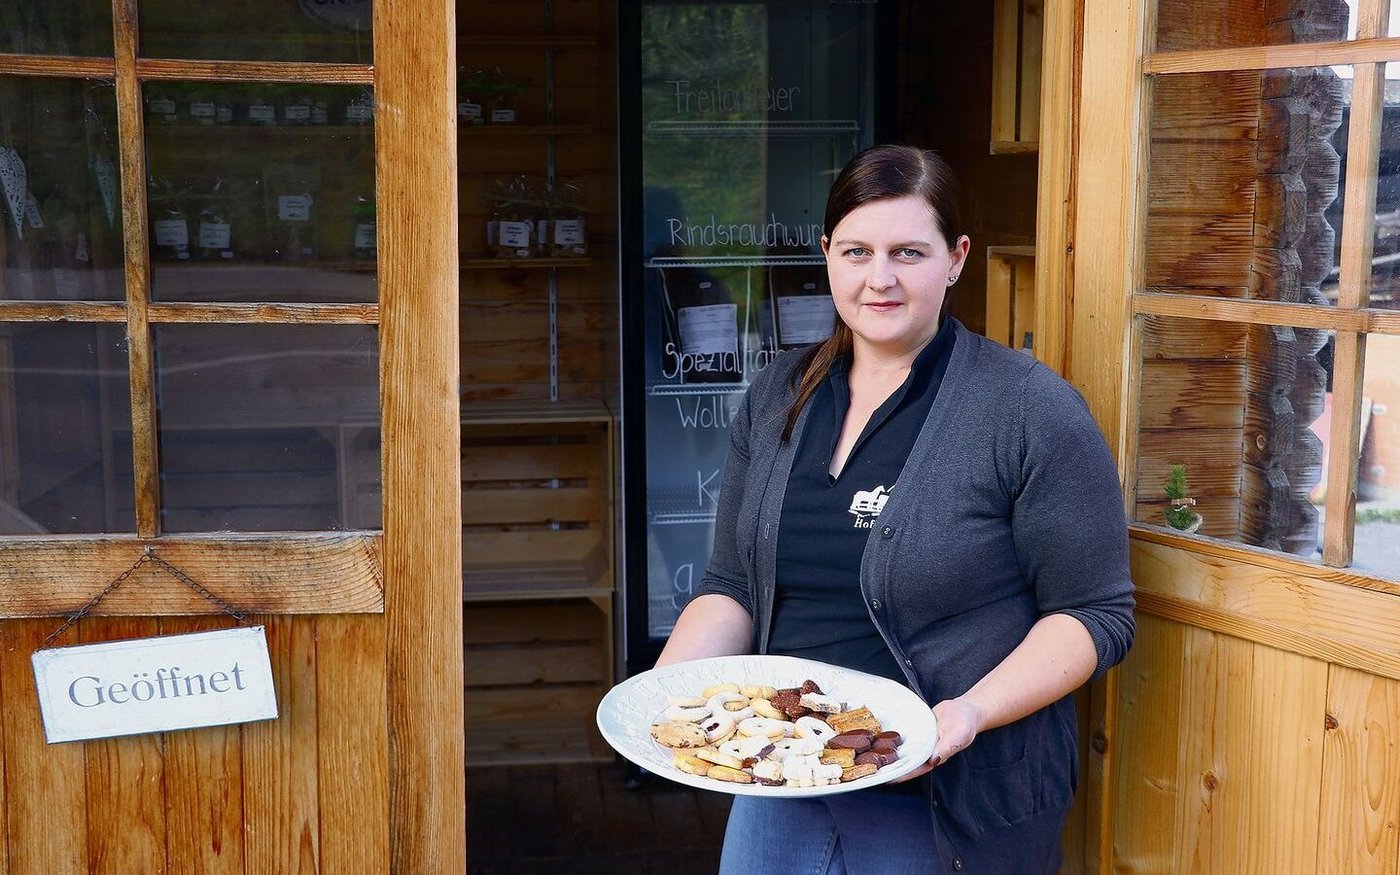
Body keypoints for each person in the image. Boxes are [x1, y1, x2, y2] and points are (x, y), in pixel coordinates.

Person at [654, 144, 1135, 874]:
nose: (879, 278)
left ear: (957, 258)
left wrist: (971, 711)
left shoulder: (1029, 410)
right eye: (857, 251)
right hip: (782, 779)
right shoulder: (780, 393)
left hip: (946, 796)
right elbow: (732, 587)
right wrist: (663, 699)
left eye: (908, 252)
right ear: (826, 254)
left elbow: (1094, 613)